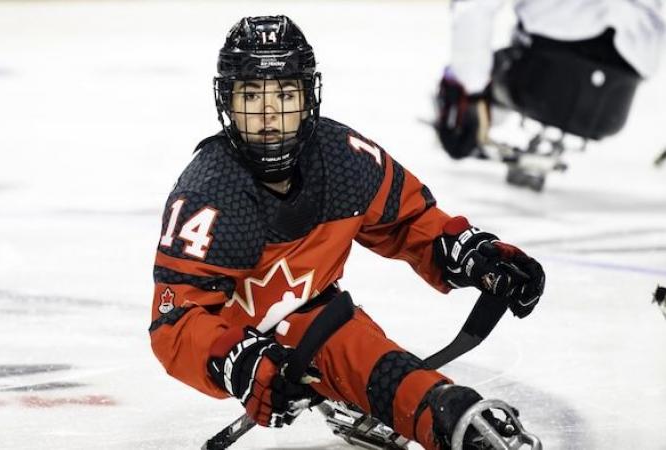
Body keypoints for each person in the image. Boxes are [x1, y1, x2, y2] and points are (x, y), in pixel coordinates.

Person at [149, 15, 545, 450]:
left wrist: (476, 257)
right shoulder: (209, 193)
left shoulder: (343, 158)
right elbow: (175, 323)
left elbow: (409, 221)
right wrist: (240, 365)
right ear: (226, 101)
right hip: (239, 338)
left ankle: (450, 418)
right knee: (350, 349)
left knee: (382, 368)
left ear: (308, 97)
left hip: (320, 321)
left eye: (284, 93)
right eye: (250, 94)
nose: (268, 114)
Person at [434, 0, 665, 160]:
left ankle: (470, 120)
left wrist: (470, 92)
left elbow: (474, 7)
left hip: (542, 71)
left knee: (472, 71)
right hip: (619, 91)